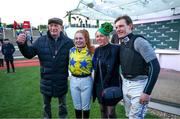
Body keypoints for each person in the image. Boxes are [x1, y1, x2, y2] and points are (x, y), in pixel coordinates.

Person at [16, 18, 74, 118]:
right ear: (48, 27)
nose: (53, 28)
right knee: (46, 106)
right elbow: (29, 54)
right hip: (46, 81)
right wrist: (22, 44)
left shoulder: (69, 42)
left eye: (56, 25)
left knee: (63, 105)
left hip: (61, 80)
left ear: (61, 27)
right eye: (51, 25)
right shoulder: (40, 41)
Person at [114, 15, 160, 119]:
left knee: (135, 117)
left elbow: (155, 67)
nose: (118, 29)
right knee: (128, 115)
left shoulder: (139, 41)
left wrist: (146, 92)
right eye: (116, 27)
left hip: (139, 86)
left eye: (121, 26)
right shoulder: (122, 43)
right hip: (126, 84)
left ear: (130, 26)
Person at [92, 22, 121, 118]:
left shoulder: (116, 49)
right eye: (97, 36)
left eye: (101, 36)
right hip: (99, 85)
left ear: (107, 37)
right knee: (102, 110)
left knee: (111, 113)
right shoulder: (97, 50)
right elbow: (94, 66)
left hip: (112, 84)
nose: (99, 38)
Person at [69, 29, 95, 119]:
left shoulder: (92, 51)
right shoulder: (71, 50)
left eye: (80, 38)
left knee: (85, 106)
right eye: (76, 38)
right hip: (73, 80)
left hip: (87, 80)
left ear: (86, 39)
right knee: (77, 106)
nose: (78, 40)